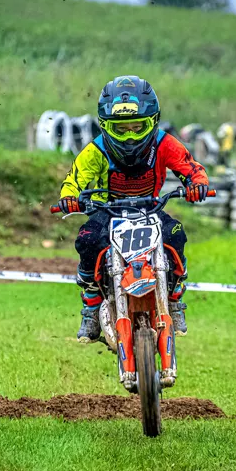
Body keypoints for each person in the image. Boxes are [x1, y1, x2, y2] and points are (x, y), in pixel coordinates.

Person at [57, 75, 209, 343]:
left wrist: (197, 184)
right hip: (108, 212)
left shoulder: (164, 143)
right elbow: (74, 180)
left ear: (152, 122)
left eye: (136, 126)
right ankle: (91, 307)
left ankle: (174, 300)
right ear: (106, 126)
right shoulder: (97, 149)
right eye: (121, 128)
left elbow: (191, 168)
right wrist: (70, 197)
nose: (129, 136)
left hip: (151, 208)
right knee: (88, 240)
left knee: (175, 235)